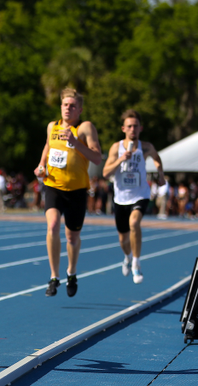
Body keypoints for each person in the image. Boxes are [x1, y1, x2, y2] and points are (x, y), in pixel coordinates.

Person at [34, 88, 102, 298]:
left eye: (73, 106)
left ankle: (71, 272)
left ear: (79, 109)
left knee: (72, 237)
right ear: (61, 106)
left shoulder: (84, 128)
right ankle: (54, 276)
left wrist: (75, 143)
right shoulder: (52, 126)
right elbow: (47, 146)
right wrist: (41, 165)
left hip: (77, 190)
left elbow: (97, 157)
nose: (68, 109)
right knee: (52, 225)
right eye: (65, 105)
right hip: (53, 185)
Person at [102, 109, 165, 284]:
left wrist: (160, 174)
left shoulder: (146, 147)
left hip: (140, 194)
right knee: (123, 238)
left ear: (141, 128)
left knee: (134, 223)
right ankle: (128, 257)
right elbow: (106, 173)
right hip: (121, 198)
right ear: (123, 128)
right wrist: (120, 159)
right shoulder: (117, 147)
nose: (132, 129)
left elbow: (157, 157)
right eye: (129, 126)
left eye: (135, 126)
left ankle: (136, 263)